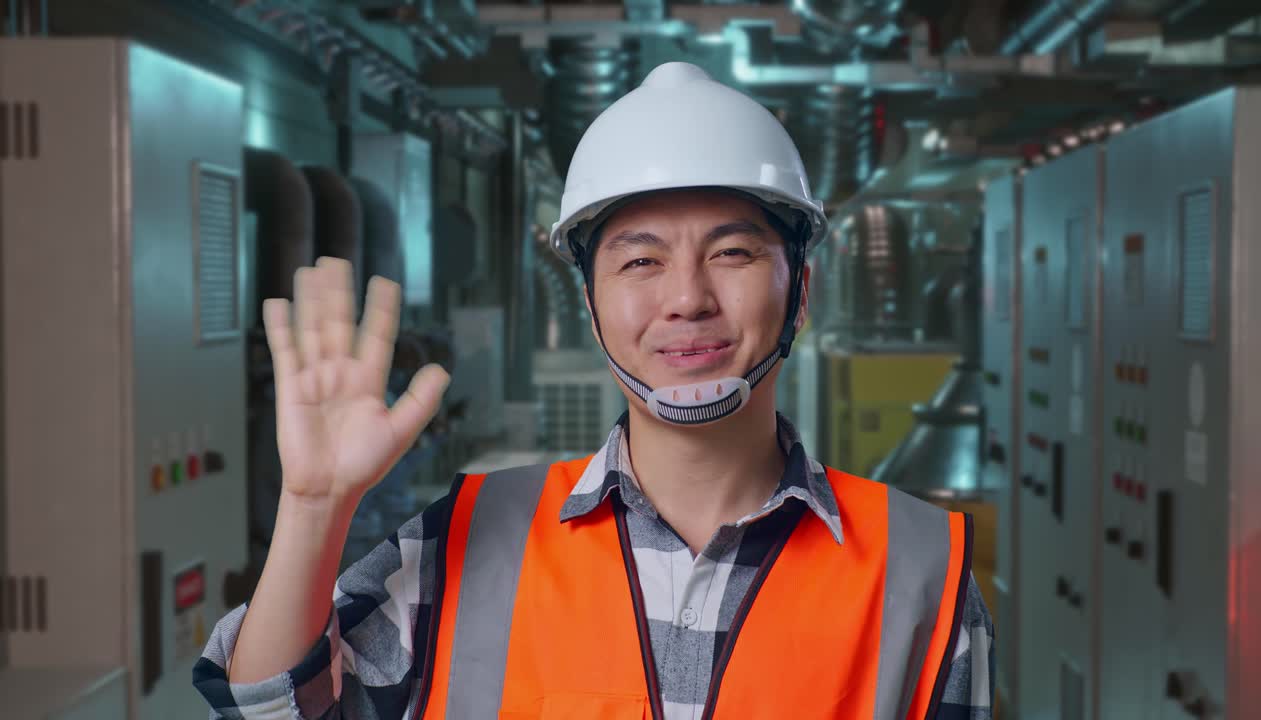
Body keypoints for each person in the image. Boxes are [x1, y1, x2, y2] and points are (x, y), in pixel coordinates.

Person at [194, 61, 994, 720]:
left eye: (734, 253)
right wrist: (313, 506)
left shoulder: (921, 572)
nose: (687, 298)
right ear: (590, 303)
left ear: (802, 290)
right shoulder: (463, 545)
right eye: (640, 261)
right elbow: (268, 715)